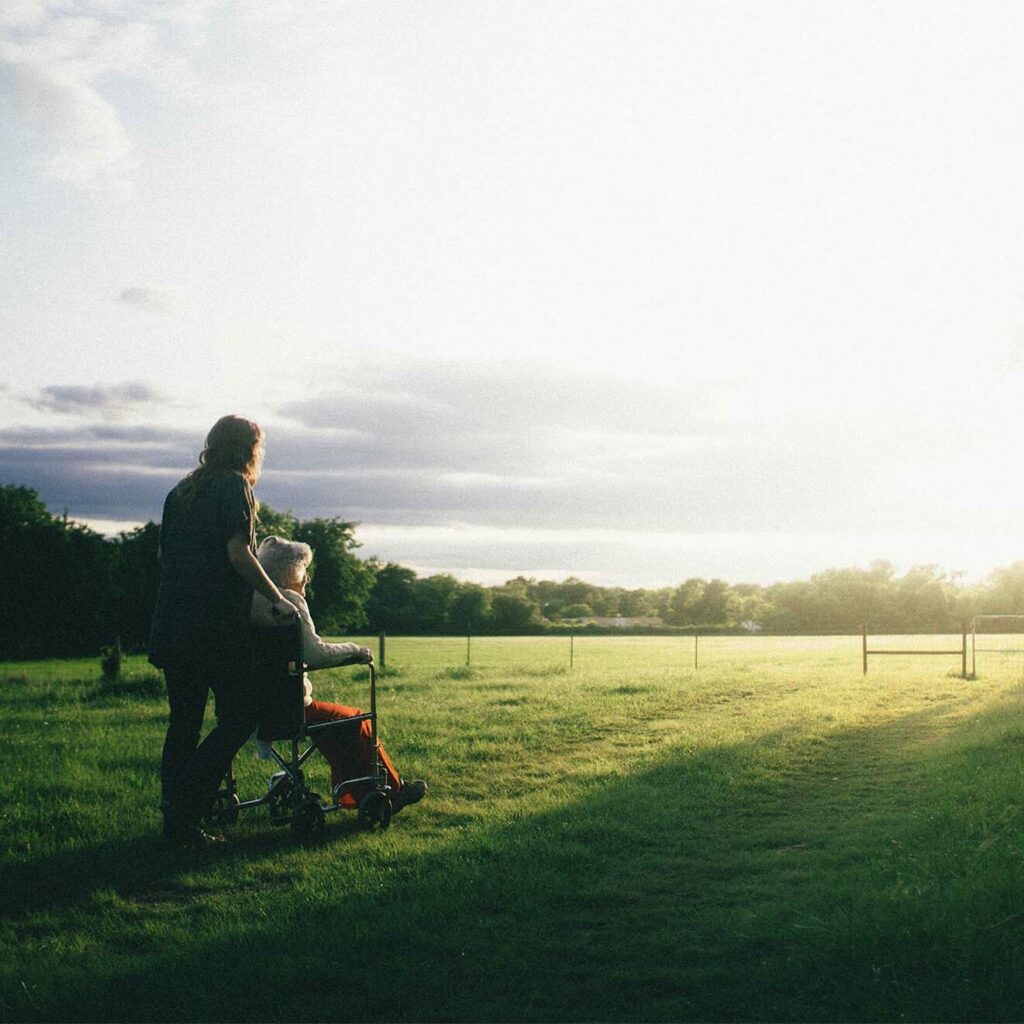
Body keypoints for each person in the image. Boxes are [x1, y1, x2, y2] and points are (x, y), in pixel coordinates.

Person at [149, 415, 297, 848]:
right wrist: (277, 597)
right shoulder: (235, 487)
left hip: (172, 623)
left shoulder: (180, 491)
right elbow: (239, 554)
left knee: (184, 723)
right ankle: (185, 808)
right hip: (212, 629)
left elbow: (165, 556)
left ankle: (176, 824)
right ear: (249, 448)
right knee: (239, 717)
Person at [250, 535, 427, 813]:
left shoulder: (250, 601)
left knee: (335, 724)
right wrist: (355, 650)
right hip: (288, 708)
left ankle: (358, 793)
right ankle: (392, 790)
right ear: (289, 573)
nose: (307, 579)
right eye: (304, 572)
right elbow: (316, 654)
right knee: (355, 720)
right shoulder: (289, 602)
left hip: (251, 707)